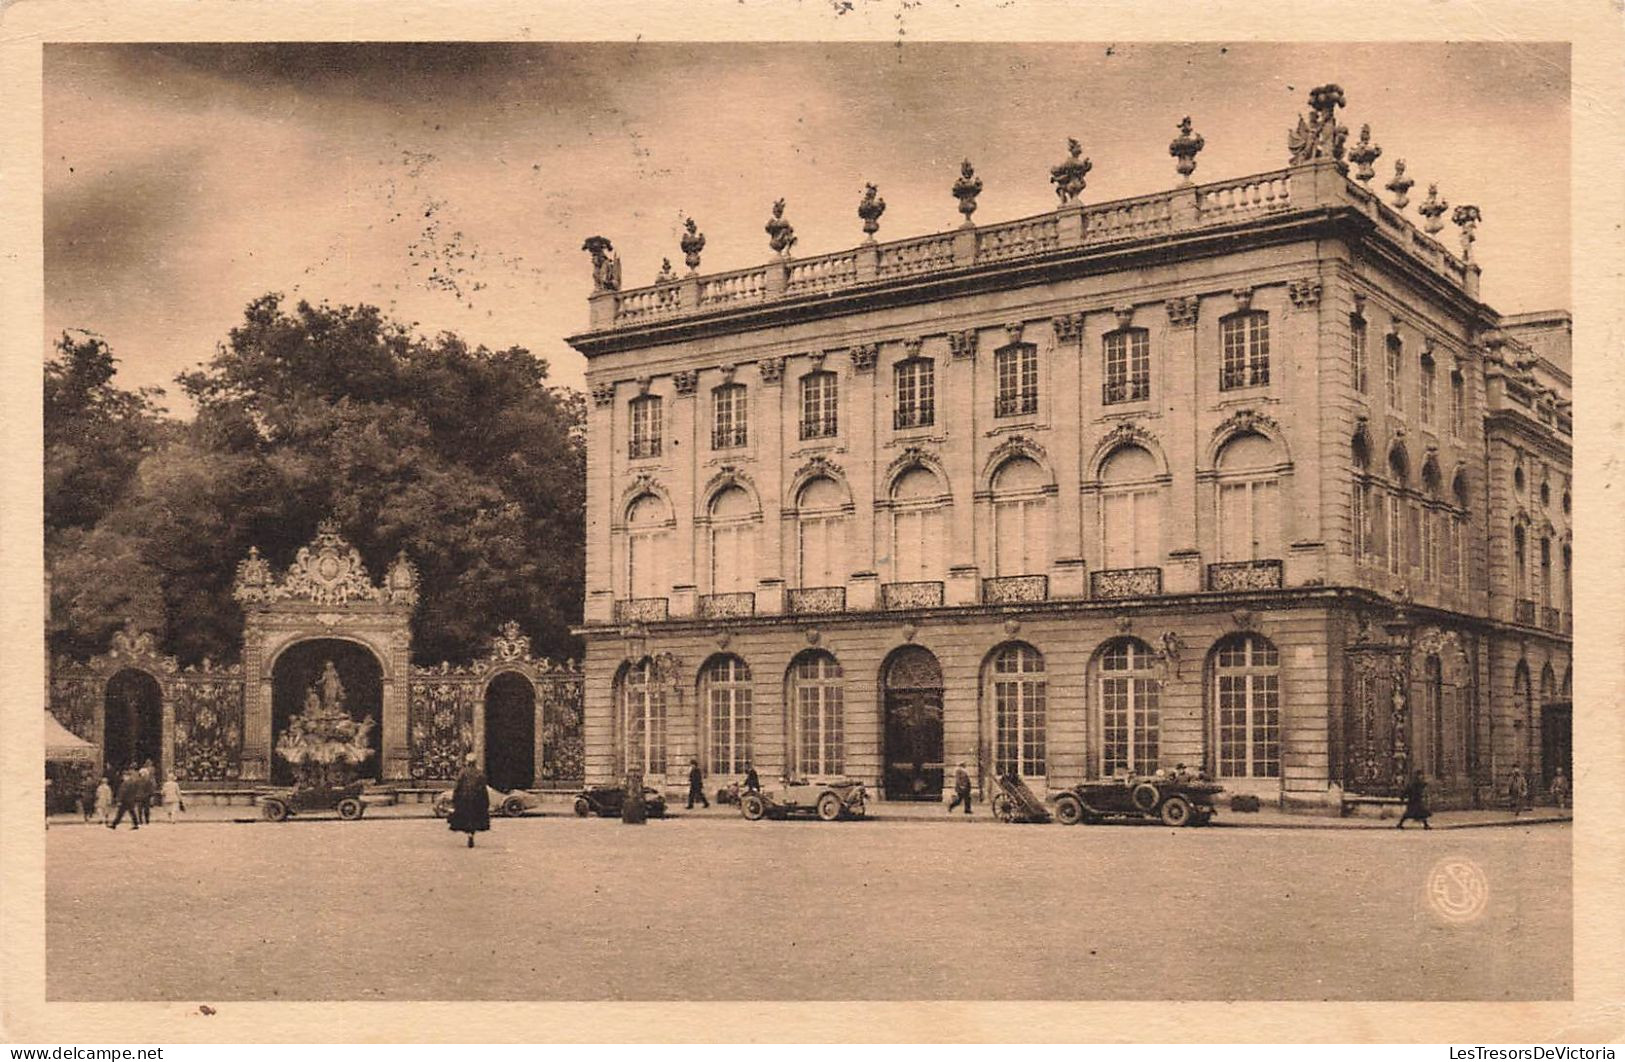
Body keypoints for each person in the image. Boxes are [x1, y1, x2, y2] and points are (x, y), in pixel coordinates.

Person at [448, 753, 490, 847]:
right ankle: (472, 833)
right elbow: (483, 789)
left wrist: (454, 799)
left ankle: (469, 833)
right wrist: (485, 802)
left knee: (466, 818)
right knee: (474, 818)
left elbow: (457, 787)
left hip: (464, 799)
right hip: (477, 799)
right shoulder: (479, 773)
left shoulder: (462, 773)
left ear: (467, 762)